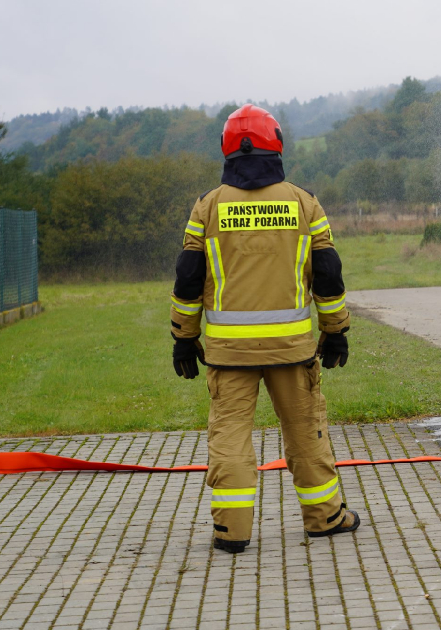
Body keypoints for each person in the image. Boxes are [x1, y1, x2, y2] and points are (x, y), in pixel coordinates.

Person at [169, 104, 360, 553]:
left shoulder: (208, 206)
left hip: (228, 354)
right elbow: (328, 275)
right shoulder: (304, 202)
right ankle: (325, 517)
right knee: (304, 432)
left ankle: (231, 532)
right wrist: (336, 329)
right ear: (276, 142)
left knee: (230, 438)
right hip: (291, 349)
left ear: (226, 148)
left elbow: (188, 278)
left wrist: (183, 337)